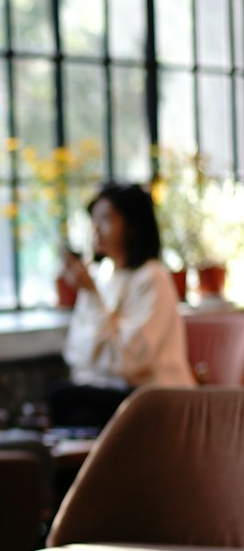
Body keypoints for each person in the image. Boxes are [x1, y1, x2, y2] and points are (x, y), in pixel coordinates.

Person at [49, 180, 195, 430]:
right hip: (112, 388)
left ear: (132, 226)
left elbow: (130, 361)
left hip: (153, 397)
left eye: (106, 219)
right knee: (63, 400)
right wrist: (89, 293)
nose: (96, 229)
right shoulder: (103, 276)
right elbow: (77, 352)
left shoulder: (152, 278)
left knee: (66, 401)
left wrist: (93, 296)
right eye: (93, 220)